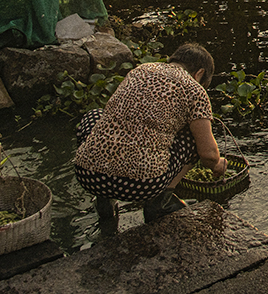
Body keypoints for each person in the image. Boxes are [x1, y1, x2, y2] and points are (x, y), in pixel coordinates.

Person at [73, 42, 228, 223]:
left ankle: (105, 202)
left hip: (88, 176)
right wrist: (217, 165)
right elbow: (208, 154)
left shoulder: (140, 70)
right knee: (194, 138)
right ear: (199, 73)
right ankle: (160, 202)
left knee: (95, 116)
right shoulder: (194, 89)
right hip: (142, 185)